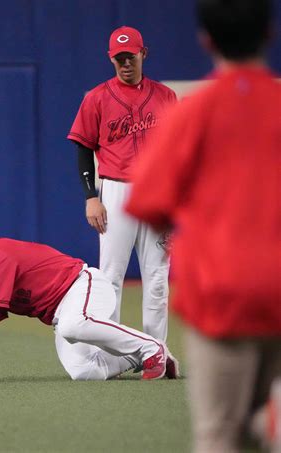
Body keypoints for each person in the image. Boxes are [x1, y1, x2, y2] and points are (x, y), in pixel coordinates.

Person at [124, 0, 281, 451]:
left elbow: (149, 204)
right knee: (256, 426)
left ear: (206, 40)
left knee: (218, 435)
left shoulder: (193, 112)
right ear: (270, 34)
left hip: (223, 295)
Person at [0, 237, 179, 382]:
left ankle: (152, 347)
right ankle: (140, 356)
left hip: (81, 284)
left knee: (73, 325)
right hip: (62, 310)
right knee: (84, 372)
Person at [67, 25, 177, 342]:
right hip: (114, 191)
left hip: (156, 193)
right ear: (111, 59)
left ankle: (156, 352)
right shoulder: (97, 98)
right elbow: (83, 148)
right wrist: (91, 196)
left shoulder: (165, 97)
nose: (125, 64)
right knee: (111, 277)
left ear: (144, 53)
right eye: (119, 59)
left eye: (131, 56)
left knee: (157, 278)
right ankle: (112, 355)